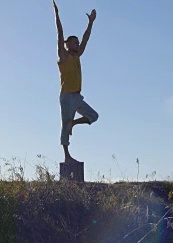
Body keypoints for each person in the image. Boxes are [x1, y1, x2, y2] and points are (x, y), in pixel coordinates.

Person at [53, 0, 99, 164]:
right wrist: (57, 14)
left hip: (77, 97)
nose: (78, 44)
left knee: (93, 116)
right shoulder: (64, 56)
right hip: (66, 97)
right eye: (75, 42)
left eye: (78, 43)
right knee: (64, 125)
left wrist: (91, 23)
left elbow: (86, 39)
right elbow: (59, 33)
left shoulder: (77, 55)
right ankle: (67, 157)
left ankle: (73, 123)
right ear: (68, 44)